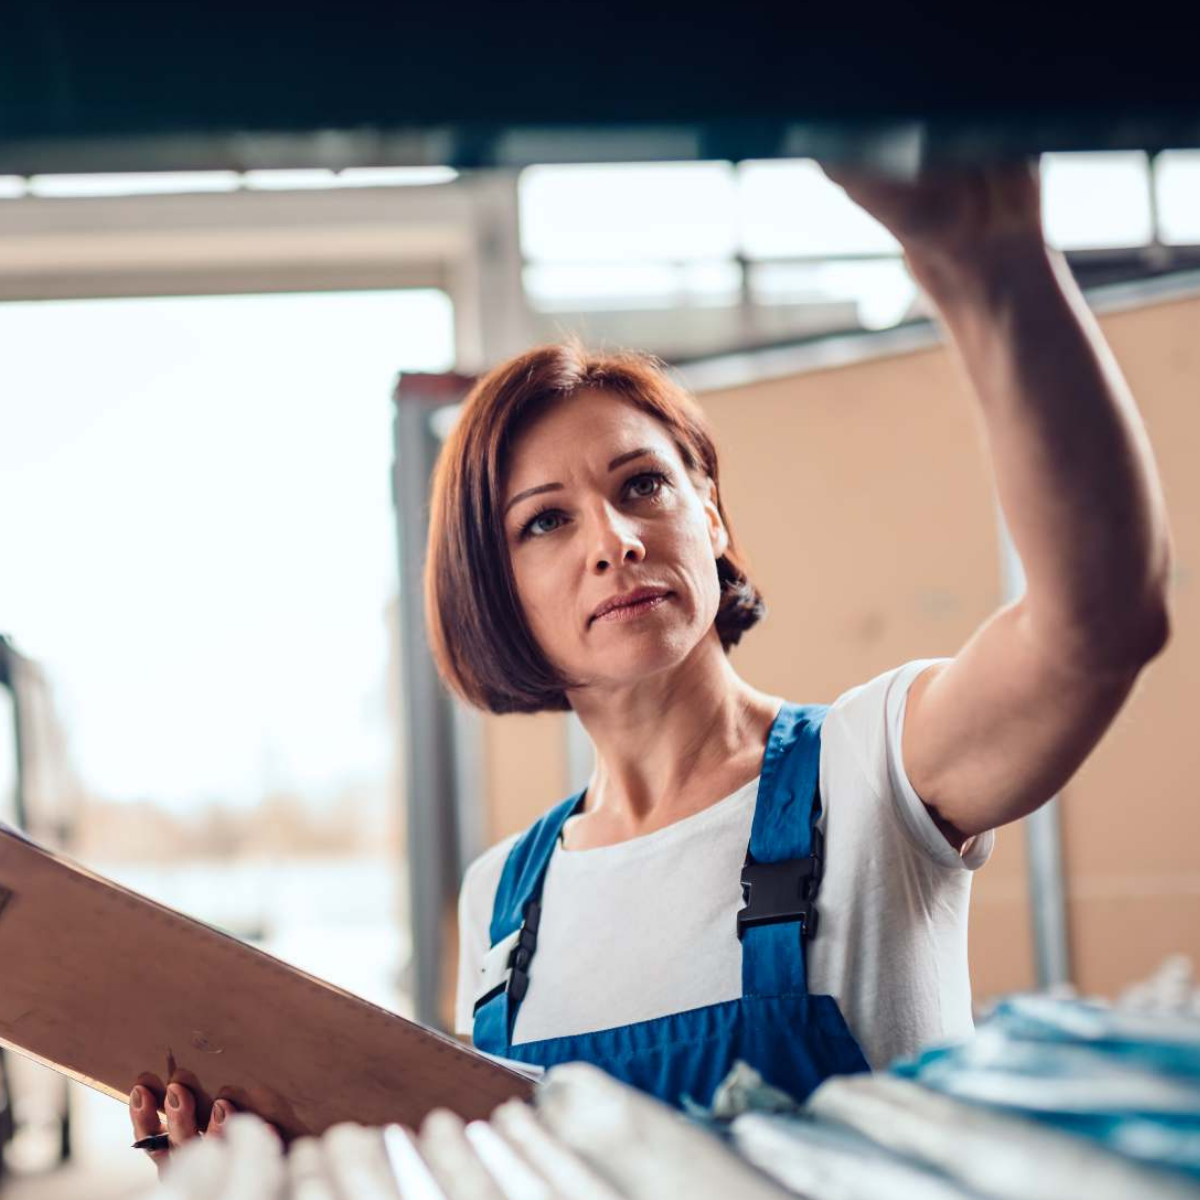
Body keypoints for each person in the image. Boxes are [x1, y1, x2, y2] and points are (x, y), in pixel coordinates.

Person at [131, 160, 1172, 1166]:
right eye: (544, 522)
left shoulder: (874, 772)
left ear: (709, 517)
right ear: (493, 590)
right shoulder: (503, 903)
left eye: (643, 487)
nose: (614, 541)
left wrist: (990, 256)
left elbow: (1099, 622)